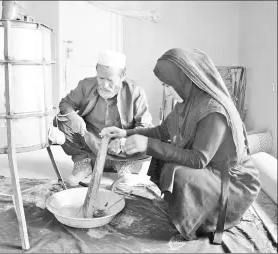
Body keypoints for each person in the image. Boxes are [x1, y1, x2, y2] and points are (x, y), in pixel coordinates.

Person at [101, 48, 261, 242]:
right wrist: (126, 133)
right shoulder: (186, 103)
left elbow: (198, 159)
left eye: (169, 85)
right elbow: (161, 132)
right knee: (164, 155)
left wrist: (148, 144)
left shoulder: (214, 111)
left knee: (180, 172)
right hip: (209, 168)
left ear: (185, 80)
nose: (167, 92)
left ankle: (203, 219)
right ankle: (185, 207)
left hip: (231, 182)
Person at [55, 50, 153, 186]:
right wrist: (73, 116)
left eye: (110, 80)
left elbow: (145, 127)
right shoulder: (85, 85)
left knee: (153, 140)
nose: (104, 85)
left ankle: (123, 164)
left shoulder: (136, 93)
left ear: (122, 75)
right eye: (101, 78)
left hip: (119, 143)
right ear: (96, 72)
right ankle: (83, 163)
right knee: (62, 120)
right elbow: (65, 103)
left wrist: (123, 141)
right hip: (91, 138)